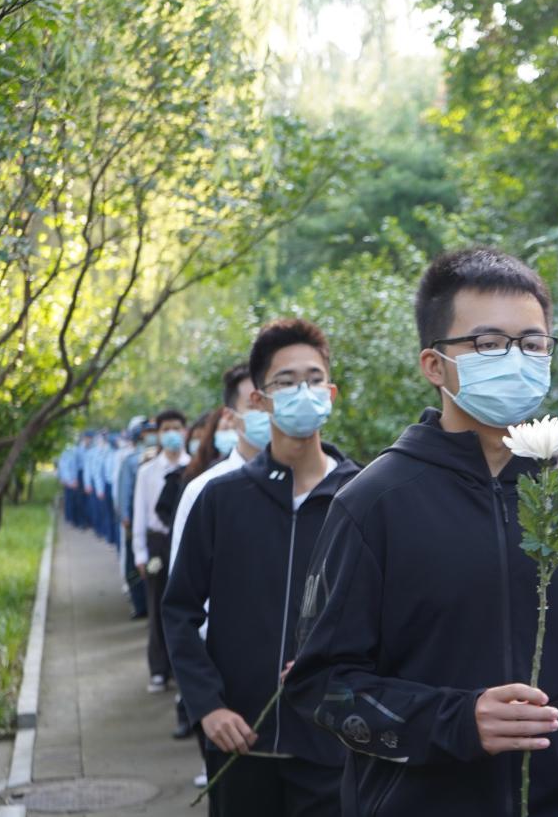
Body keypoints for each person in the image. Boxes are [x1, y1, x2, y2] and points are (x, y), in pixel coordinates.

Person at [285, 248, 558, 816]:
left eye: (532, 344)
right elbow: (321, 686)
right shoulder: (373, 504)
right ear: (435, 365)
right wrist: (456, 720)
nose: (516, 359)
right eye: (488, 343)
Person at [164, 321, 361, 816]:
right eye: (286, 382)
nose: (304, 392)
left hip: (332, 746)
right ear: (259, 399)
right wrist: (207, 706)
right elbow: (180, 610)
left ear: (331, 392)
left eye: (314, 379)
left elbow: (391, 617)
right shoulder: (222, 499)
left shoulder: (362, 500)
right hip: (240, 743)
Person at [166, 364, 268, 781]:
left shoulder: (328, 484)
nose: (271, 411)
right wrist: (206, 699)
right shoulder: (206, 492)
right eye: (255, 403)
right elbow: (182, 601)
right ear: (232, 414)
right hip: (226, 677)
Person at [133, 409, 189, 693]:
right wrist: (140, 553)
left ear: (185, 431)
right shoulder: (147, 471)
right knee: (157, 604)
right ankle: (158, 669)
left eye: (176, 428)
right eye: (166, 429)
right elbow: (140, 514)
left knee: (186, 605)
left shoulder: (194, 467)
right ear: (158, 434)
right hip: (158, 542)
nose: (172, 433)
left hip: (186, 540)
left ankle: (183, 669)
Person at [117, 420, 154, 620]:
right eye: (148, 431)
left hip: (155, 520)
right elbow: (124, 489)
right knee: (134, 563)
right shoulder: (131, 460)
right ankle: (140, 604)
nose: (152, 435)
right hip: (135, 518)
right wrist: (125, 515)